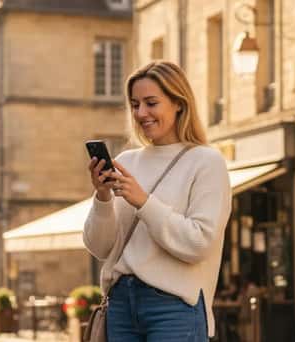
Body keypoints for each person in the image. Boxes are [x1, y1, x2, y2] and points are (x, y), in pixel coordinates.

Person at [83, 61, 232, 341]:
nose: (141, 113)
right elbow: (100, 248)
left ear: (178, 102)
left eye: (151, 103)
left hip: (174, 306)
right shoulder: (127, 161)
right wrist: (102, 198)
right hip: (120, 305)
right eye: (135, 104)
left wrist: (143, 202)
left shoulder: (206, 162)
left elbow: (199, 243)